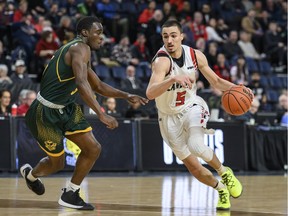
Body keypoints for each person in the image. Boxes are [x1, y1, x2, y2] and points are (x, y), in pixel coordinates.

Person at [19, 16, 148, 211]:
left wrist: (126, 94)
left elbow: (97, 85)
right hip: (44, 113)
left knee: (93, 148)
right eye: (98, 32)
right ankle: (31, 175)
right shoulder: (80, 48)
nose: (101, 37)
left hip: (67, 108)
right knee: (57, 164)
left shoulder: (83, 51)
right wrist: (101, 114)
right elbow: (81, 84)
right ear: (85, 33)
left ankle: (71, 193)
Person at [146, 20, 253, 211]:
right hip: (168, 118)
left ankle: (224, 172)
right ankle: (221, 189)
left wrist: (241, 89)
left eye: (173, 35)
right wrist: (172, 78)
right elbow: (150, 93)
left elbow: (217, 82)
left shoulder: (195, 55)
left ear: (181, 36)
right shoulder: (161, 61)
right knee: (194, 168)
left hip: (192, 107)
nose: (169, 40)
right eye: (165, 36)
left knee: (196, 145)